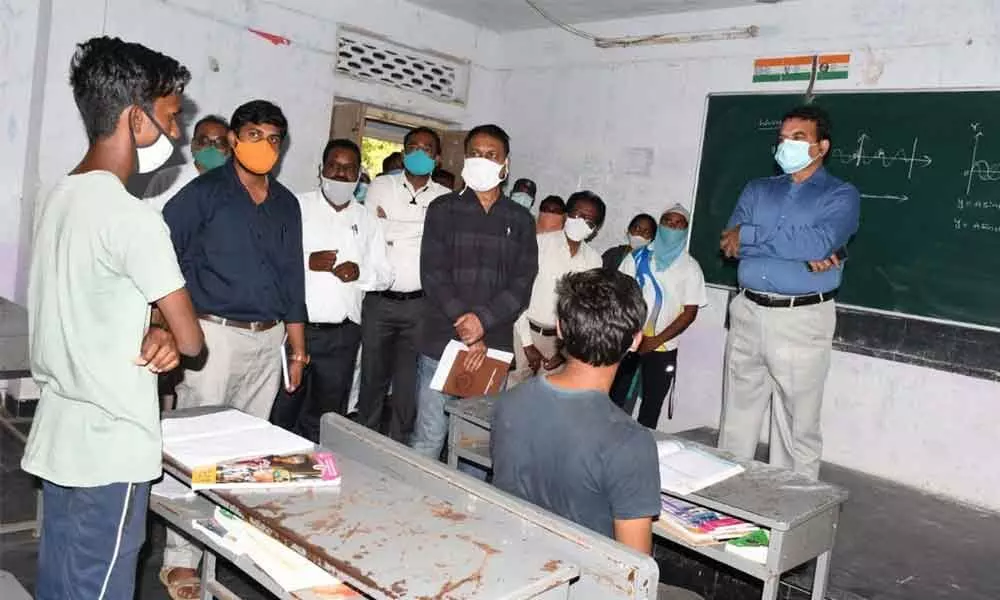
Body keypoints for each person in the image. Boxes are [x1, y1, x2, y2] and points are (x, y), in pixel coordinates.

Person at [23, 36, 203, 600]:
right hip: (113, 444)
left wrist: (150, 324)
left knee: (59, 579)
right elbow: (193, 339)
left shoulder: (60, 196)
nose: (176, 135)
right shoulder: (133, 218)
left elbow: (95, 297)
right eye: (171, 119)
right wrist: (168, 328)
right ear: (136, 118)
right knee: (100, 586)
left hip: (59, 433)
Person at [160, 99, 307, 596]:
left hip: (267, 342)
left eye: (272, 138)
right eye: (253, 135)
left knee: (245, 456)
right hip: (213, 336)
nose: (262, 146)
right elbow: (161, 259)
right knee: (196, 451)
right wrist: (167, 327)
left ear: (280, 147)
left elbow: (292, 277)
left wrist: (298, 347)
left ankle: (220, 546)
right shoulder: (203, 194)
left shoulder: (286, 203)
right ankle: (180, 558)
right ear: (235, 140)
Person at [718, 104, 860, 479]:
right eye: (783, 138)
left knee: (796, 428)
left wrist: (752, 236)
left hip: (802, 318)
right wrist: (798, 247)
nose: (788, 146)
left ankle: (788, 520)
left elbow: (818, 243)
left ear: (822, 147)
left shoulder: (840, 195)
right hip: (747, 311)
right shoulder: (757, 189)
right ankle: (724, 508)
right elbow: (729, 243)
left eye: (799, 138)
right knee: (736, 421)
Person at [491, 269, 659, 554]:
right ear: (635, 340)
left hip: (510, 564)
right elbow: (636, 572)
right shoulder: (630, 442)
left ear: (560, 328)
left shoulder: (509, 403)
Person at [412, 124, 538, 460]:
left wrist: (481, 322)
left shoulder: (521, 220)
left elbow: (522, 284)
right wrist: (465, 323)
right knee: (429, 436)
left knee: (474, 445)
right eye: (475, 154)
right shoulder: (442, 209)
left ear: (505, 165)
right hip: (442, 341)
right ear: (465, 159)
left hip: (491, 349)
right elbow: (433, 274)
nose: (482, 160)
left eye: (491, 155)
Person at [269, 139, 393, 442]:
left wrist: (360, 273)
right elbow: (268, 257)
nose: (340, 175)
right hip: (295, 330)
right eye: (334, 167)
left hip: (342, 336)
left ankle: (308, 476)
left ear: (359, 175)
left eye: (349, 169)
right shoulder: (294, 207)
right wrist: (304, 261)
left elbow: (386, 276)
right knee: (282, 410)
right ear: (321, 170)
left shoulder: (368, 220)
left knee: (324, 418)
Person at [357, 127, 451, 443]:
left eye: (427, 149)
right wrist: (422, 228)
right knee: (372, 378)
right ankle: (365, 439)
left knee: (408, 383)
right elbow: (371, 229)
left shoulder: (444, 197)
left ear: (437, 159)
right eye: (413, 147)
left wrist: (391, 226)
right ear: (403, 150)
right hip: (379, 302)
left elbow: (442, 241)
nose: (419, 154)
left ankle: (398, 443)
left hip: (421, 306)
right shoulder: (382, 185)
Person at [610, 204, 707, 430]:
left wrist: (656, 340)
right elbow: (618, 298)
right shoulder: (637, 258)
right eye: (667, 222)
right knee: (614, 399)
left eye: (678, 223)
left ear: (685, 229)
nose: (672, 227)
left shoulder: (691, 267)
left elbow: (690, 313)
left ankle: (642, 451)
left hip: (664, 347)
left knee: (651, 407)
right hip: (628, 343)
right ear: (660, 225)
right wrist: (632, 336)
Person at [509, 191, 604, 387]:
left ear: (595, 229)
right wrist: (527, 344)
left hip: (561, 342)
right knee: (510, 393)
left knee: (546, 401)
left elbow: (584, 310)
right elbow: (517, 294)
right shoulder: (539, 244)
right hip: (523, 332)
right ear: (566, 214)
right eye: (576, 214)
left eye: (588, 219)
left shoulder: (594, 260)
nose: (580, 221)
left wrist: (564, 352)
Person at [143, 114, 231, 211]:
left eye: (220, 143)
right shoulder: (165, 179)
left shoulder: (236, 186)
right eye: (203, 141)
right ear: (193, 145)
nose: (211, 147)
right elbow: (145, 218)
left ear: (229, 149)